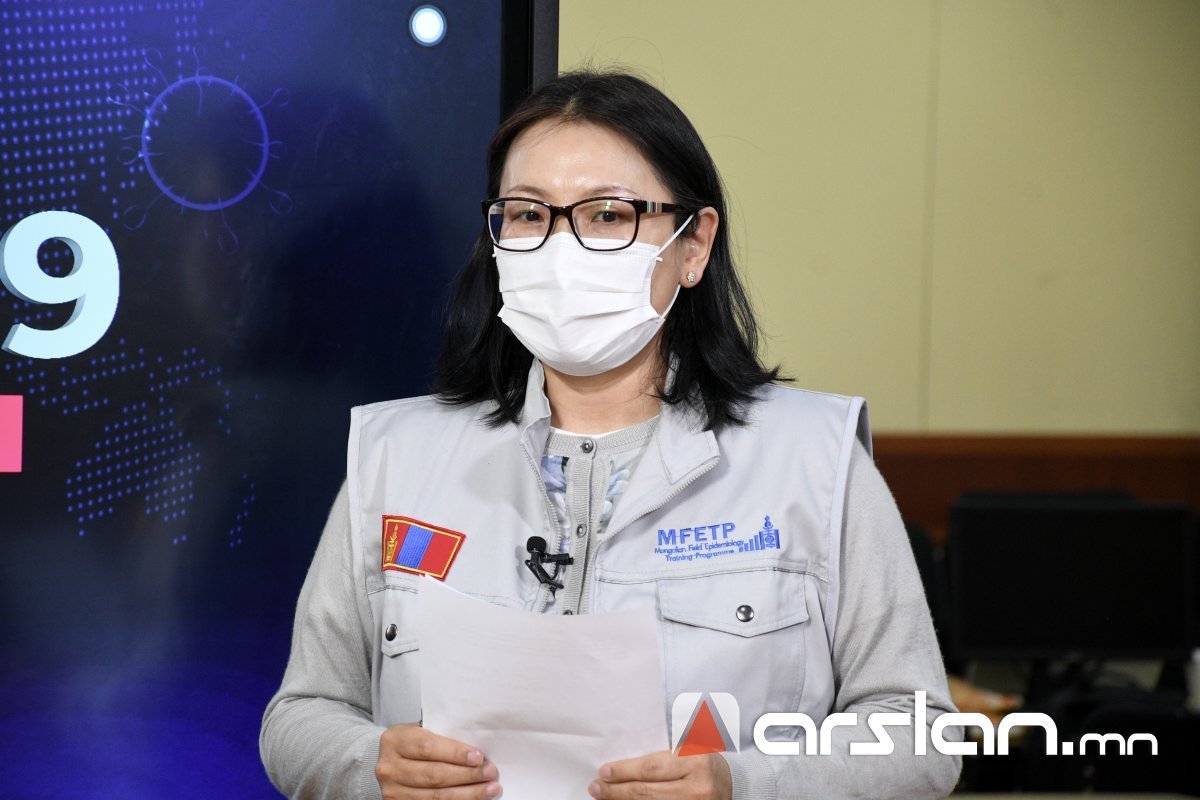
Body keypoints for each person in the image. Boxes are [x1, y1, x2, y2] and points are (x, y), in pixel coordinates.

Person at [260, 69, 961, 800]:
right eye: (527, 214)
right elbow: (300, 715)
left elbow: (919, 735)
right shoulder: (396, 456)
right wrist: (369, 765)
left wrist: (743, 783)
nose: (560, 247)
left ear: (693, 246)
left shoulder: (814, 461)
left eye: (606, 214)